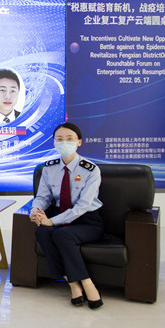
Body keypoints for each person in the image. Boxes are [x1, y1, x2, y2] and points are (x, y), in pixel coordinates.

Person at [29, 122, 104, 310]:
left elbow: (83, 206)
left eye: (69, 139)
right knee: (42, 232)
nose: (64, 143)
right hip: (59, 214)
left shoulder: (91, 170)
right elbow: (43, 197)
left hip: (87, 220)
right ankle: (72, 283)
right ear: (54, 142)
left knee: (61, 234)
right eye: (60, 139)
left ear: (79, 142)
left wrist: (52, 221)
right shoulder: (49, 168)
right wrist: (36, 211)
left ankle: (86, 283)